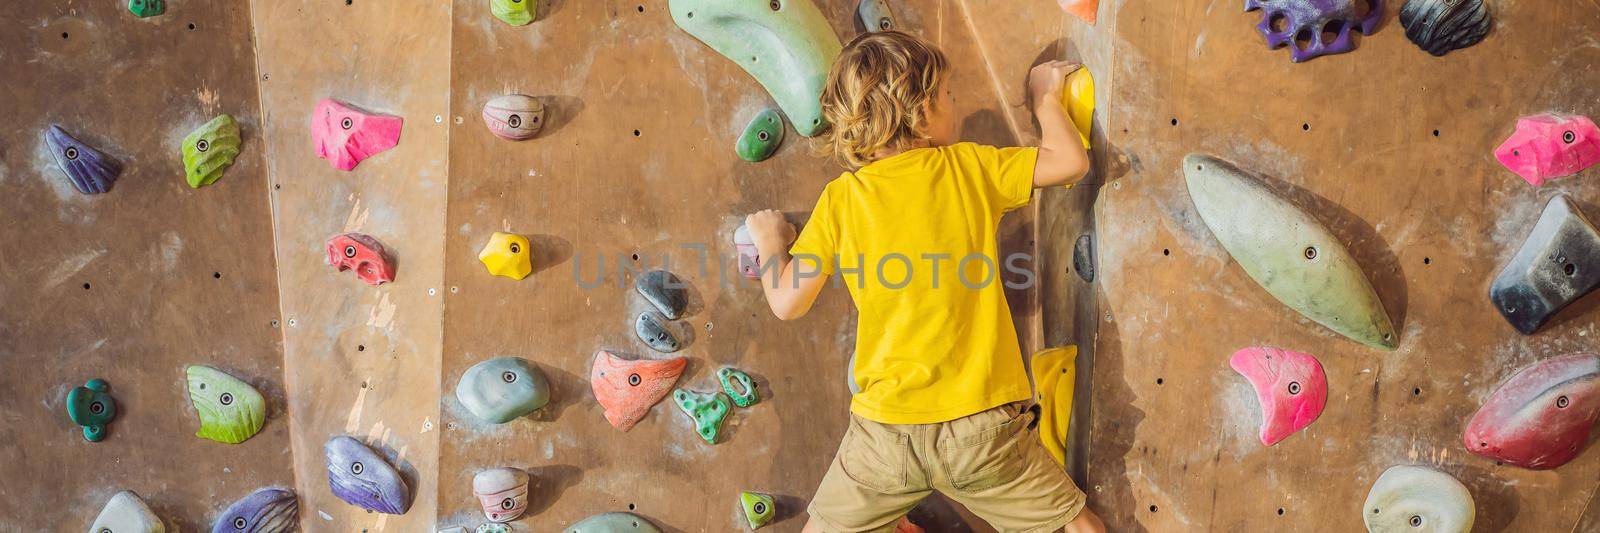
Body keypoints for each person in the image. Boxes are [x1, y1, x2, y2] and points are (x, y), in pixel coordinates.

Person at [743, 30, 1105, 533]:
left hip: (886, 436)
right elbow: (1071, 162)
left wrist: (768, 242)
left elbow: (786, 302)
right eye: (948, 95)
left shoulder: (843, 199)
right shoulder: (968, 167)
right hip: (983, 428)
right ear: (920, 111)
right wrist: (1042, 96)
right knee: (1075, 525)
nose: (953, 105)